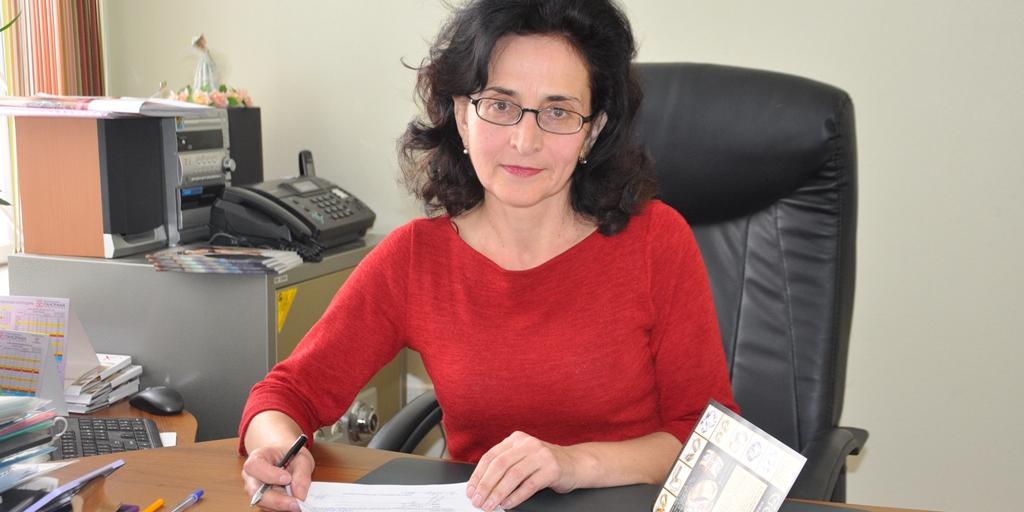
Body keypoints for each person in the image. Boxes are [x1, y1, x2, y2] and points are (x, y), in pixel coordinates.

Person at [239, 1, 737, 511]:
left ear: (592, 130)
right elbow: (285, 395)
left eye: (558, 112)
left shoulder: (655, 241)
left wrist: (573, 463)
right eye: (500, 105)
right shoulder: (416, 258)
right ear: (462, 115)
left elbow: (711, 440)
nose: (525, 141)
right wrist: (278, 450)